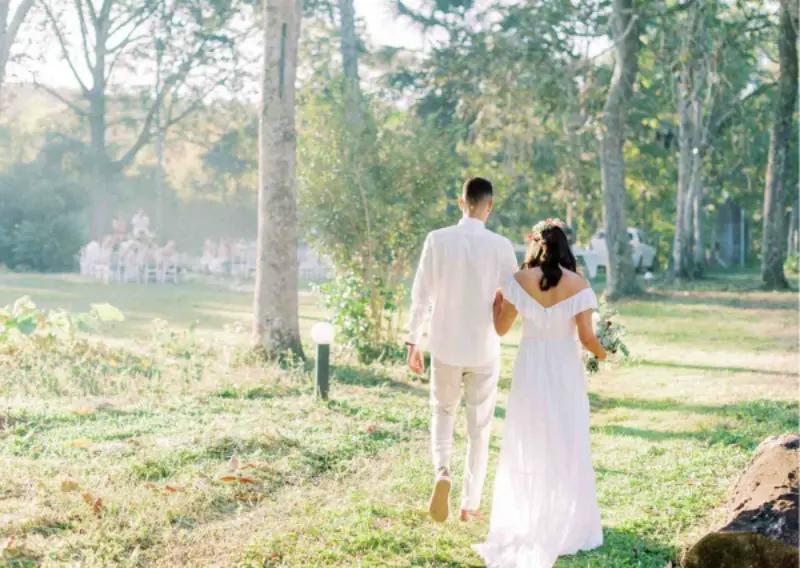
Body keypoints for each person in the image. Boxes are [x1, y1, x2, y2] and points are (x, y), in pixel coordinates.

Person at [473, 219, 606, 568]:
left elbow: (500, 329)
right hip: (564, 367)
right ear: (566, 247)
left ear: (534, 245)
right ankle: (566, 520)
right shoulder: (579, 284)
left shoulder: (518, 281)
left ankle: (529, 515)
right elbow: (589, 339)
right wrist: (609, 353)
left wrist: (497, 300)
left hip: (531, 365)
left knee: (529, 436)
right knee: (566, 437)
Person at [406, 177, 518, 523]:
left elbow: (421, 293)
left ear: (461, 202)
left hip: (445, 345)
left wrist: (414, 340)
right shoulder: (500, 245)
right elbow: (513, 295)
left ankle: (442, 473)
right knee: (479, 428)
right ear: (489, 207)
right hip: (484, 348)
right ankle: (469, 505)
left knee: (442, 413)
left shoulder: (437, 240)